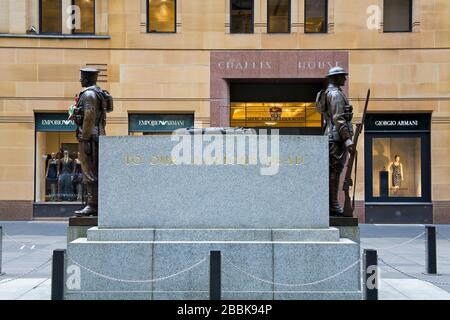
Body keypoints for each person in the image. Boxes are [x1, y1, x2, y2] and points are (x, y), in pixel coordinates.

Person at [73, 68, 107, 216]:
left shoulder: (89, 95)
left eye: (82, 77)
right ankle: (94, 204)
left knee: (89, 172)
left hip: (90, 137)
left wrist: (84, 138)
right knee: (93, 170)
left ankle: (92, 205)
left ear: (87, 78)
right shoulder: (97, 93)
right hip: (96, 135)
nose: (80, 80)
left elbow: (89, 117)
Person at [323, 67, 355, 216]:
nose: (345, 79)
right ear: (335, 78)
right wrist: (347, 139)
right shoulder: (335, 94)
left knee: (334, 171)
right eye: (342, 76)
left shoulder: (331, 93)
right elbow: (338, 118)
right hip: (336, 138)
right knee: (335, 171)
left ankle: (333, 204)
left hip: (334, 137)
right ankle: (333, 205)